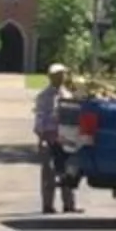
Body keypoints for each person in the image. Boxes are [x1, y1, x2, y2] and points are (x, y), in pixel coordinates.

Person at [33, 61, 80, 214]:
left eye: (61, 75)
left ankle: (69, 204)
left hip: (65, 137)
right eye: (56, 75)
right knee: (48, 172)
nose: (60, 78)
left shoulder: (67, 94)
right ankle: (47, 205)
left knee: (67, 170)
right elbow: (40, 118)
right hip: (49, 137)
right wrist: (42, 137)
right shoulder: (44, 96)